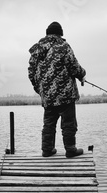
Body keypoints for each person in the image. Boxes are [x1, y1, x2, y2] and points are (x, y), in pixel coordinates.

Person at [28, 21, 86, 158]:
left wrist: (41, 90)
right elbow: (74, 67)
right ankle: (70, 149)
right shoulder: (63, 46)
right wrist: (82, 75)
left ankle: (47, 150)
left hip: (47, 96)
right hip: (65, 94)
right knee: (69, 123)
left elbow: (31, 74)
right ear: (60, 34)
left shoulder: (37, 49)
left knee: (48, 124)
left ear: (47, 33)